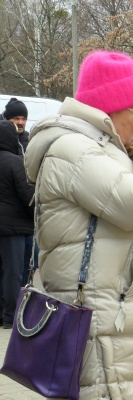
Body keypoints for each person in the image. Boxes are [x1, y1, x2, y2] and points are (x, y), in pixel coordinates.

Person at [24, 50, 133, 399]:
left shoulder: (98, 150)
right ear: (110, 108)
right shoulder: (75, 150)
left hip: (126, 323)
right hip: (108, 330)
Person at [0, 120, 35, 329]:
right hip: (15, 228)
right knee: (14, 273)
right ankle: (11, 315)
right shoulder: (16, 162)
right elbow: (27, 196)